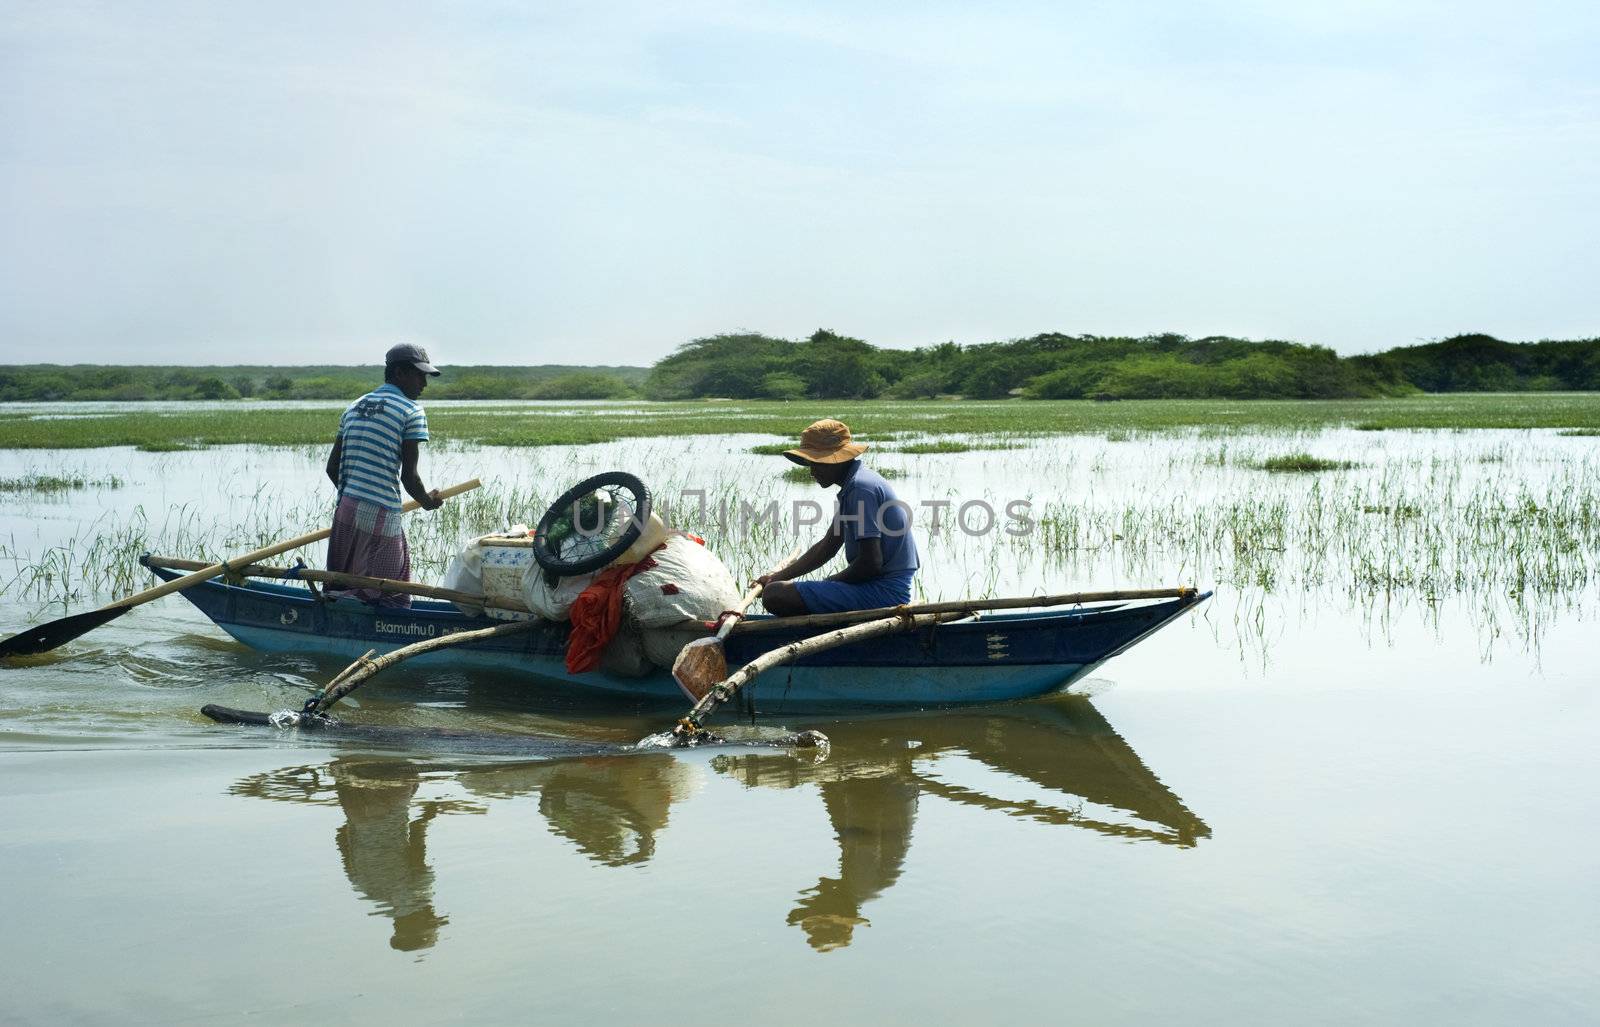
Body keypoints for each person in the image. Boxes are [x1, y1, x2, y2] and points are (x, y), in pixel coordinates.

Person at [757, 418, 919, 616]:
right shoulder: (855, 484)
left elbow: (871, 564)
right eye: (810, 464)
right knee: (776, 587)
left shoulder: (861, 488)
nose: (812, 472)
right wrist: (775, 577)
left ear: (838, 459)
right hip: (878, 588)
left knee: (775, 595)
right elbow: (827, 546)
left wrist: (827, 583)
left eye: (817, 463)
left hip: (885, 593)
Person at [323, 343, 443, 605]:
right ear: (399, 373)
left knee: (341, 585)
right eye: (419, 375)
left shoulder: (354, 406)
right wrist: (427, 501)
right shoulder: (411, 411)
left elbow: (332, 468)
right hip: (380, 511)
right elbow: (409, 478)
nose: (424, 383)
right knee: (392, 593)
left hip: (345, 509)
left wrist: (355, 499)